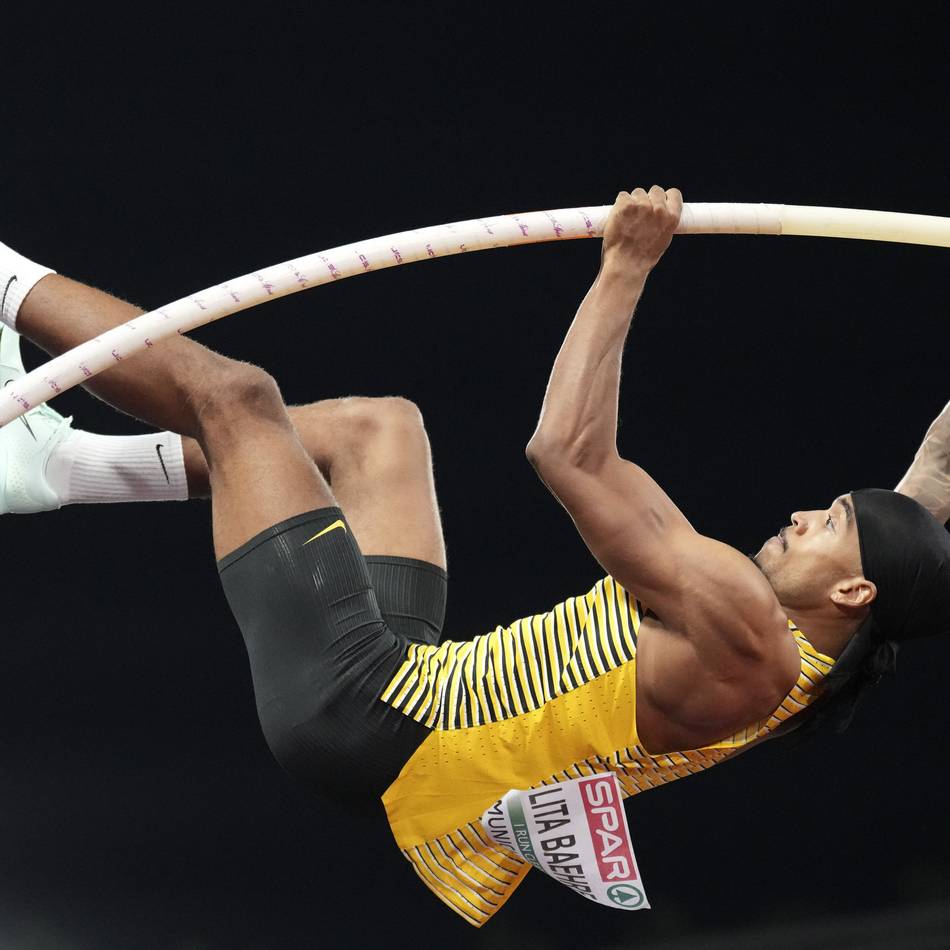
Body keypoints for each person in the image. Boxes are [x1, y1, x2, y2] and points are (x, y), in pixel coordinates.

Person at [2, 187, 949, 928]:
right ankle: (58, 468)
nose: (800, 516)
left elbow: (567, 453)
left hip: (364, 715)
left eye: (827, 521)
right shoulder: (824, 659)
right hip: (412, 686)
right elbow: (928, 490)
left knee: (239, 399)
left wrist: (626, 266)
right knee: (379, 432)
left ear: (853, 587)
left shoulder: (746, 625)